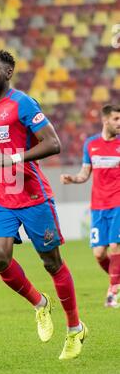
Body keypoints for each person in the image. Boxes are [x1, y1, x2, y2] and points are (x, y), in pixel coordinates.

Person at [0, 49, 87, 360]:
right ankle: (40, 304)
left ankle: (75, 329)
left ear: (8, 74)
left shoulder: (23, 103)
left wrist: (14, 158)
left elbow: (54, 143)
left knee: (52, 263)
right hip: (0, 197)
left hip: (32, 195)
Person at [61, 104, 120, 308]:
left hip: (118, 203)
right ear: (105, 120)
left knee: (115, 246)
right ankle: (117, 279)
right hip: (98, 206)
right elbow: (85, 174)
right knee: (99, 254)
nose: (119, 123)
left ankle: (113, 293)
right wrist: (73, 179)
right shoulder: (91, 144)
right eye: (116, 119)